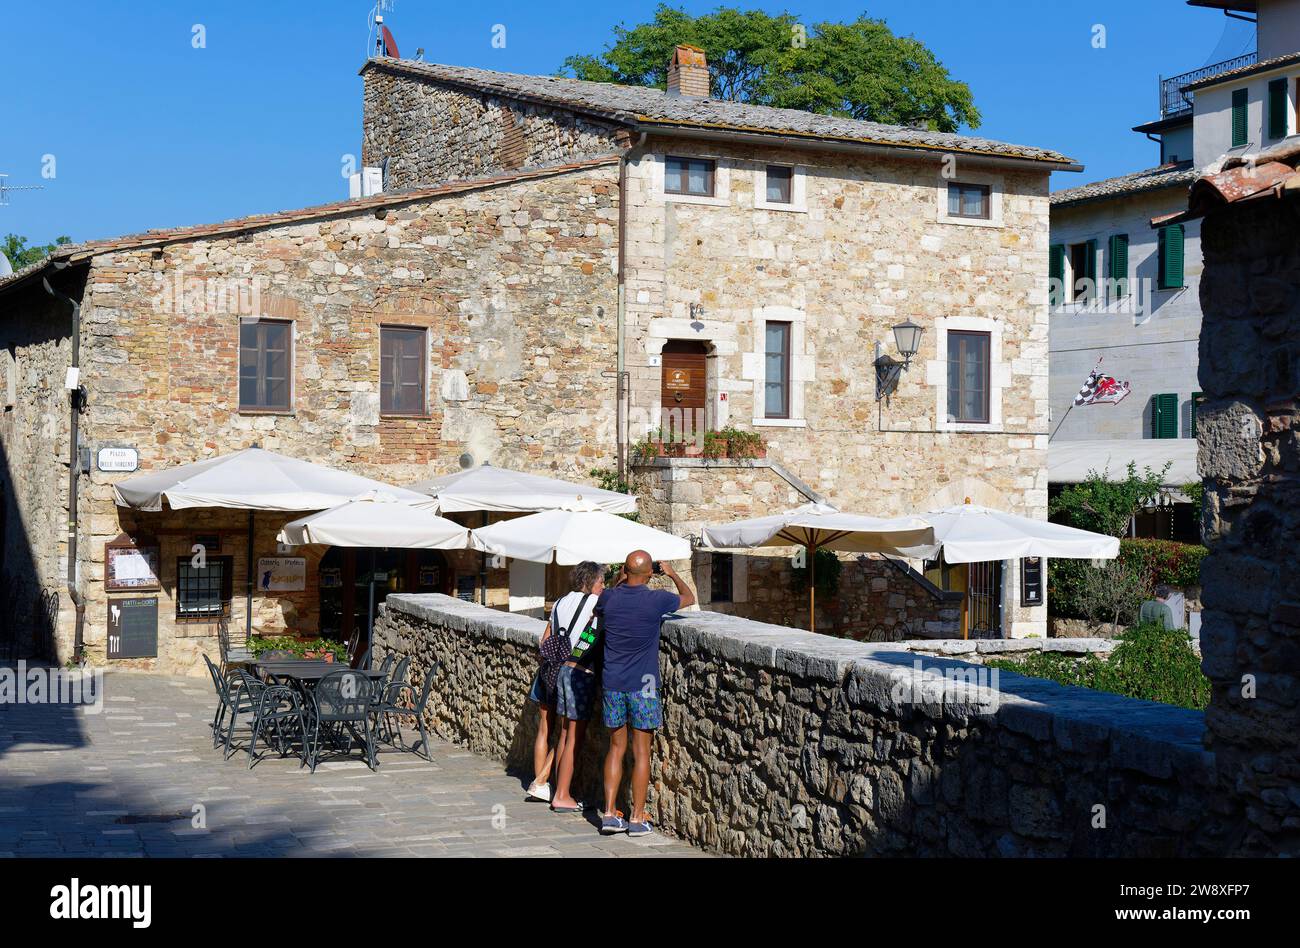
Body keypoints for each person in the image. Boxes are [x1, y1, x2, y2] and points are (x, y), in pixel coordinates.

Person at [597, 550, 695, 837]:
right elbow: (689, 599)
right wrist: (673, 573)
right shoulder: (656, 600)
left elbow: (604, 603)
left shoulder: (610, 597)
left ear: (625, 571)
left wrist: (623, 577)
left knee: (616, 749)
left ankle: (608, 813)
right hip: (645, 685)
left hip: (613, 682)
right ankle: (637, 818)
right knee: (641, 752)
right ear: (651, 573)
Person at [548, 561, 605, 813]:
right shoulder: (593, 604)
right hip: (580, 673)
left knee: (563, 733)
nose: (603, 587)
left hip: (561, 670)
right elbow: (592, 635)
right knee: (574, 735)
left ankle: (557, 787)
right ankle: (562, 795)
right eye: (602, 582)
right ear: (590, 581)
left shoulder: (560, 602)